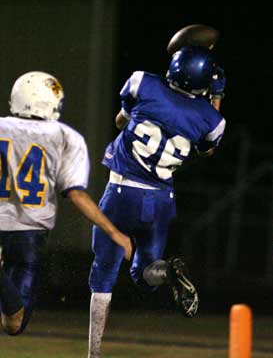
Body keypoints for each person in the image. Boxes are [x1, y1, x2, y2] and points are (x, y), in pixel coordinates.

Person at [87, 45, 226, 358]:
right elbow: (208, 148)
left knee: (104, 274)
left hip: (121, 193)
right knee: (146, 275)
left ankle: (93, 354)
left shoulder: (143, 83)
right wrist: (216, 95)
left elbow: (121, 121)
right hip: (161, 199)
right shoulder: (212, 119)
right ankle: (169, 272)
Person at [0, 71, 132, 336]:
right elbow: (76, 194)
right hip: (29, 231)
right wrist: (114, 232)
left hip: (27, 232)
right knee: (14, 325)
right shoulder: (65, 137)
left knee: (13, 324)